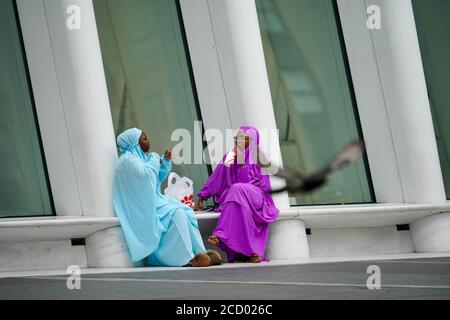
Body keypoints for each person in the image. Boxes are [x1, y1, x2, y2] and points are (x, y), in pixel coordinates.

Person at [113, 128, 221, 267]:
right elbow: (147, 176)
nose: (148, 141)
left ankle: (201, 253)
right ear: (135, 142)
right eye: (144, 139)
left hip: (154, 200)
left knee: (187, 213)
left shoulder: (138, 158)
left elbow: (155, 181)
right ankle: (186, 259)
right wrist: (153, 159)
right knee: (178, 214)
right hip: (143, 206)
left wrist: (165, 163)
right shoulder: (127, 161)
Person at [194, 125, 279, 263]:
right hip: (237, 194)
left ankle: (221, 233)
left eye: (244, 139)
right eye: (237, 138)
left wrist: (241, 165)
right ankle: (252, 252)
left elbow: (254, 183)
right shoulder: (230, 155)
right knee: (238, 205)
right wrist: (203, 195)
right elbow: (218, 175)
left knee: (236, 189)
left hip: (258, 196)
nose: (239, 142)